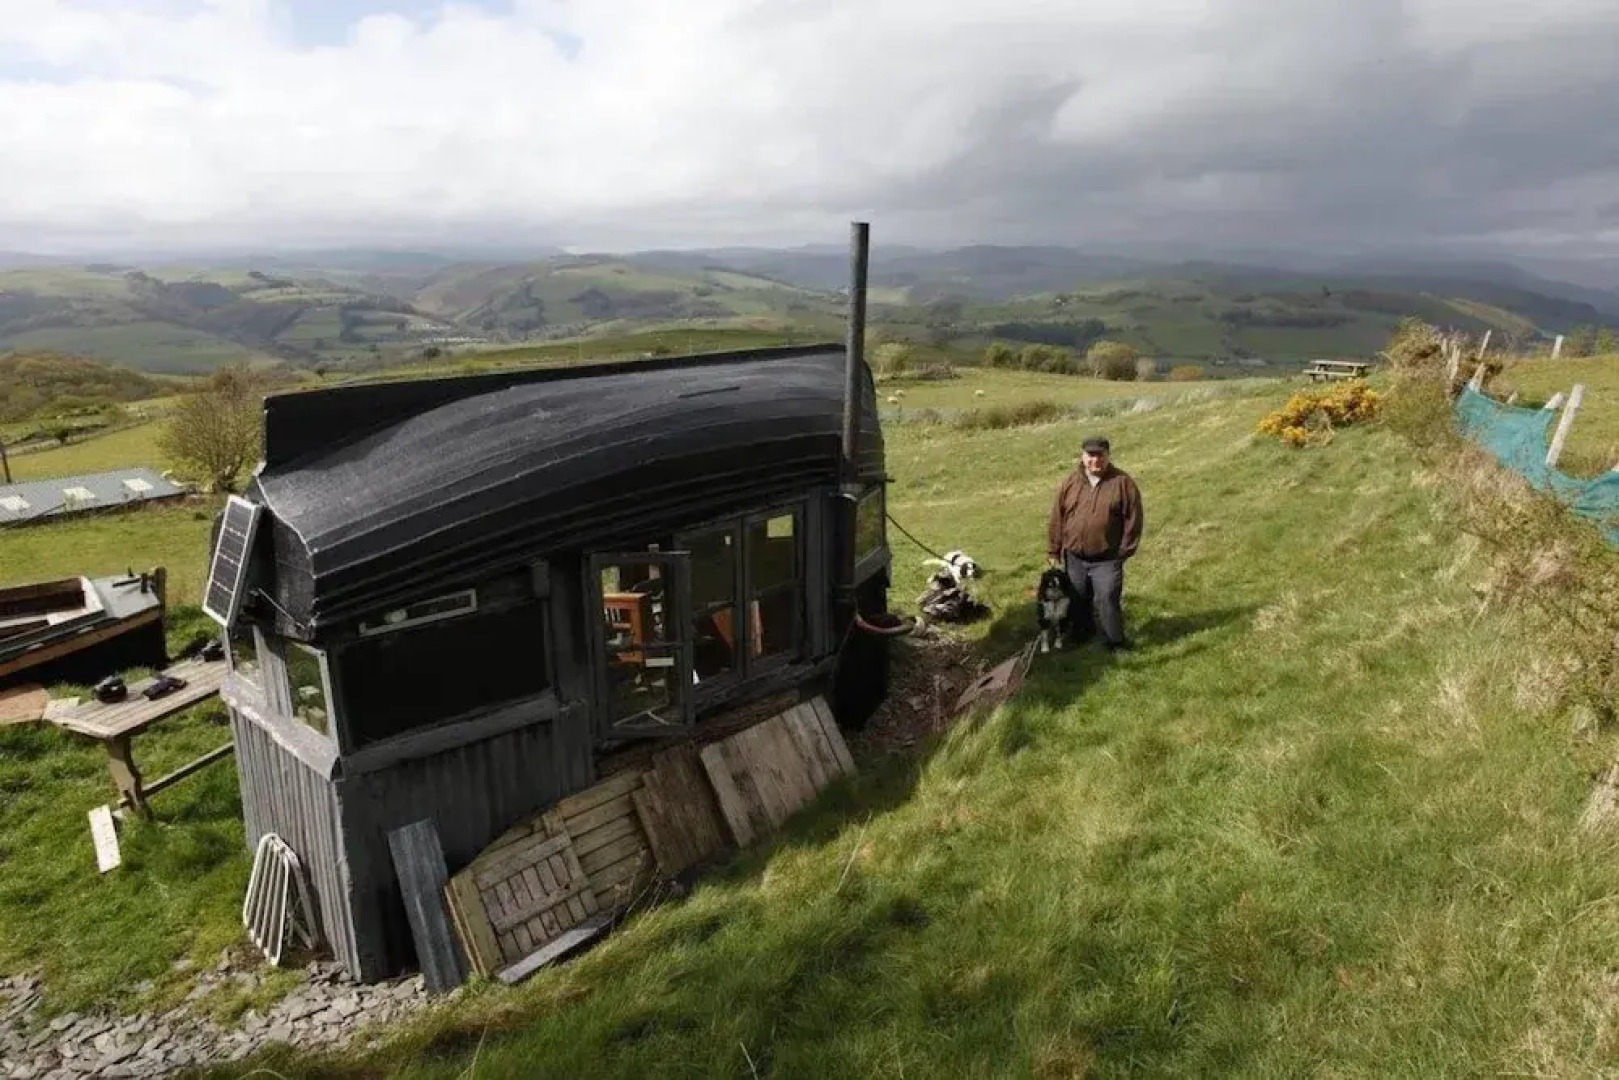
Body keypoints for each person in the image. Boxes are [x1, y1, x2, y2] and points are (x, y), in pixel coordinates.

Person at [1045, 435, 1144, 651]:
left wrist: (1123, 552)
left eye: (1100, 455)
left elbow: (1134, 519)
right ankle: (1082, 633)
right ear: (1083, 456)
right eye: (1091, 455)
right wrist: (1054, 549)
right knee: (1077, 598)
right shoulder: (1069, 482)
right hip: (1075, 557)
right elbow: (1057, 517)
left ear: (1108, 456)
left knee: (1107, 598)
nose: (1095, 461)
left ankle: (1115, 642)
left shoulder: (1123, 483)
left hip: (1107, 558)